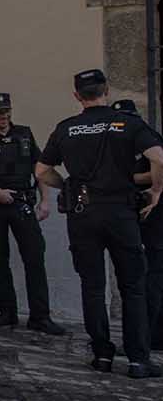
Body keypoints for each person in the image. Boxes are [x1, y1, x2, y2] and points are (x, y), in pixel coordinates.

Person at [36, 70, 163, 377]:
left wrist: (66, 183)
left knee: (92, 287)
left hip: (83, 214)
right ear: (106, 89)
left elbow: (41, 170)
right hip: (121, 212)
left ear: (77, 96)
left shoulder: (66, 128)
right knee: (133, 286)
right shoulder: (128, 123)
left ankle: (102, 356)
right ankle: (137, 360)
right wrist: (156, 191)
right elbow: (159, 156)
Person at [0, 93, 64, 334]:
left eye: (7, 111)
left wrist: (45, 201)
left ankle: (40, 316)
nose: (4, 116)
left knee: (34, 256)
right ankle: (7, 312)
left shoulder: (24, 135)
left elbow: (39, 169)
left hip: (22, 204)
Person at [112, 98, 163, 349]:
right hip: (128, 212)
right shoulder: (114, 141)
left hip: (150, 213)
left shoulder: (147, 137)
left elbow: (159, 166)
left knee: (149, 278)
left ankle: (149, 337)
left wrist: (133, 179)